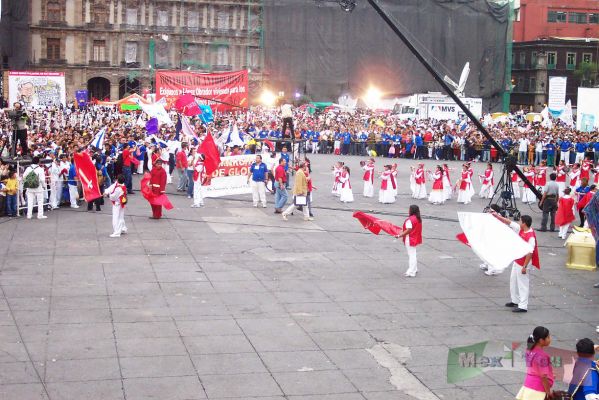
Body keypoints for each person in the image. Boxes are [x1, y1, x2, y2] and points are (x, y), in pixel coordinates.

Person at [493, 212, 539, 313]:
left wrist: (525, 267)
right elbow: (509, 222)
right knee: (513, 281)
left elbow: (530, 252)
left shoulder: (530, 236)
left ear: (524, 223)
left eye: (520, 221)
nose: (518, 222)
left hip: (524, 262)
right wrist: (497, 216)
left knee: (523, 284)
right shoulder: (521, 229)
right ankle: (515, 300)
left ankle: (523, 306)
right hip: (517, 259)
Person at [515, 326, 554, 400]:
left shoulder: (529, 350)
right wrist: (548, 393)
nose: (550, 339)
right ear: (541, 340)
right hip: (537, 390)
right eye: (548, 337)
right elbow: (543, 376)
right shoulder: (543, 356)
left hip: (528, 386)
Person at [397, 205, 422, 277]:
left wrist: (399, 235)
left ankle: (411, 271)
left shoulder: (410, 220)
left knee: (411, 255)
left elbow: (408, 230)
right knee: (413, 254)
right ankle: (415, 268)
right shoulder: (418, 218)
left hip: (410, 238)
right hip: (415, 237)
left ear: (411, 210)